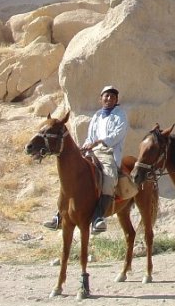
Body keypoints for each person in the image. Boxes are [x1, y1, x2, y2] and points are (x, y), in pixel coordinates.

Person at [42, 85, 129, 234]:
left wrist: (100, 142)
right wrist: (86, 146)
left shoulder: (120, 115)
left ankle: (98, 217)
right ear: (101, 98)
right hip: (92, 151)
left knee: (109, 178)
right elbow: (90, 136)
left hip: (109, 152)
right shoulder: (96, 116)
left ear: (116, 100)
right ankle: (60, 215)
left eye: (112, 97)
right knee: (71, 176)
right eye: (106, 96)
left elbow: (118, 135)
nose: (109, 99)